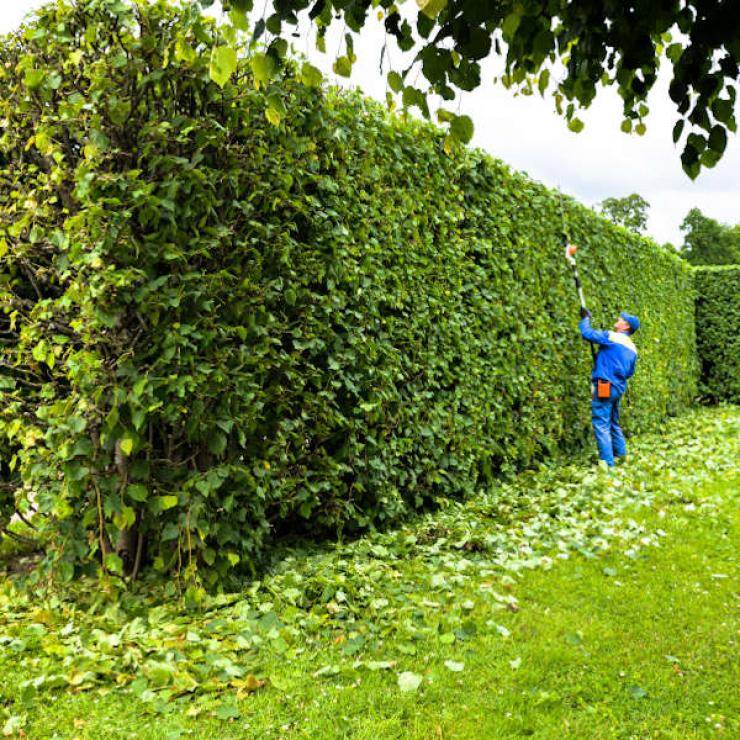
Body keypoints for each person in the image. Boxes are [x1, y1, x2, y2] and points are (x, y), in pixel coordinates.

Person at [579, 309, 640, 467]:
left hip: (605, 385)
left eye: (621, 319)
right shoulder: (633, 349)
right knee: (613, 421)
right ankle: (622, 456)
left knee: (601, 422)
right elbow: (630, 372)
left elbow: (587, 333)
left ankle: (608, 465)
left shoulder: (613, 337)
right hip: (618, 388)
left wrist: (585, 319)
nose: (618, 319)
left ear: (625, 326)